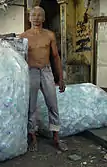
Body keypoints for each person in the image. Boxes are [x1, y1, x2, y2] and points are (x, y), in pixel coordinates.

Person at [19, 6, 68, 152]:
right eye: (33, 15)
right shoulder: (23, 37)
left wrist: (61, 77)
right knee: (31, 106)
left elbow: (55, 56)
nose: (36, 18)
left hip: (46, 71)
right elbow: (20, 59)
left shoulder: (49, 35)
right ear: (29, 18)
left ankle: (56, 137)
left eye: (39, 15)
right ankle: (32, 136)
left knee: (53, 104)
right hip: (31, 71)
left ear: (44, 18)